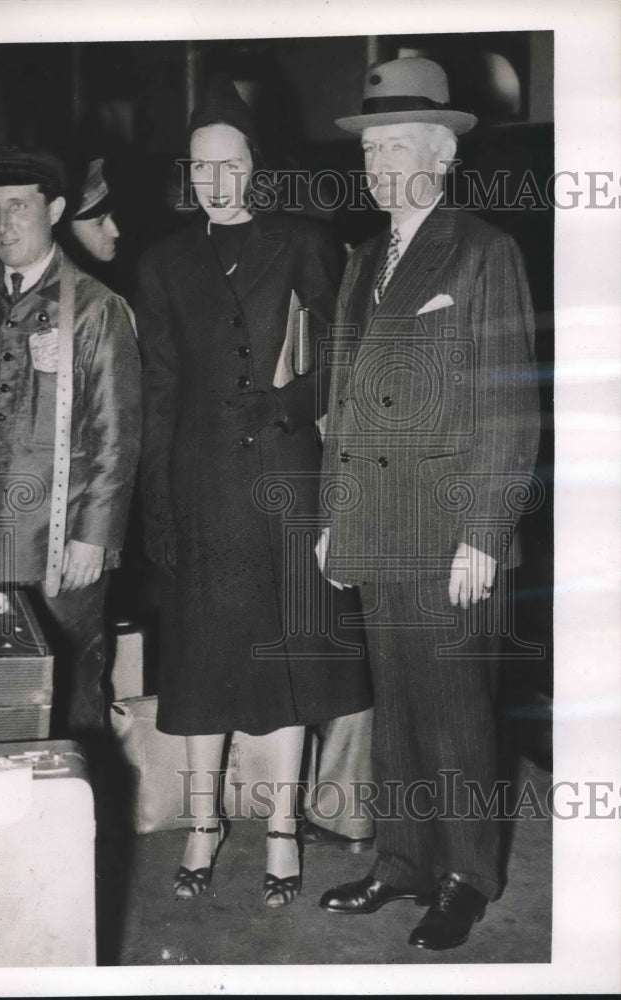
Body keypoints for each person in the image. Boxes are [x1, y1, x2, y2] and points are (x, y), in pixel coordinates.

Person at [317, 58, 540, 949]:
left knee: (454, 709)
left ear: (442, 156)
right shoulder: (364, 260)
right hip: (374, 524)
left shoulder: (485, 252)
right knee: (399, 706)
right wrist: (333, 517)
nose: (376, 164)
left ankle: (464, 876)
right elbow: (342, 398)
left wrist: (482, 534)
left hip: (448, 528)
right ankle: (400, 862)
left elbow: (507, 402)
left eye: (395, 146)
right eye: (370, 148)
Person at [136, 76, 372, 907]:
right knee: (201, 667)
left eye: (228, 165)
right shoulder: (161, 264)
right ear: (188, 173)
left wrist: (289, 402)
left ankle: (279, 829)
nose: (214, 181)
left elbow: (347, 365)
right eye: (200, 168)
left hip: (285, 485)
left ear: (254, 167)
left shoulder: (307, 245)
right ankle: (203, 824)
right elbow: (159, 390)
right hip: (201, 489)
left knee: (283, 671)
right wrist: (157, 505)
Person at [0, 146, 142, 743]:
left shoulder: (96, 308)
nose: (3, 223)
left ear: (57, 210)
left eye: (18, 206)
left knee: (69, 692)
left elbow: (115, 435)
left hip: (58, 541)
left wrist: (94, 537)